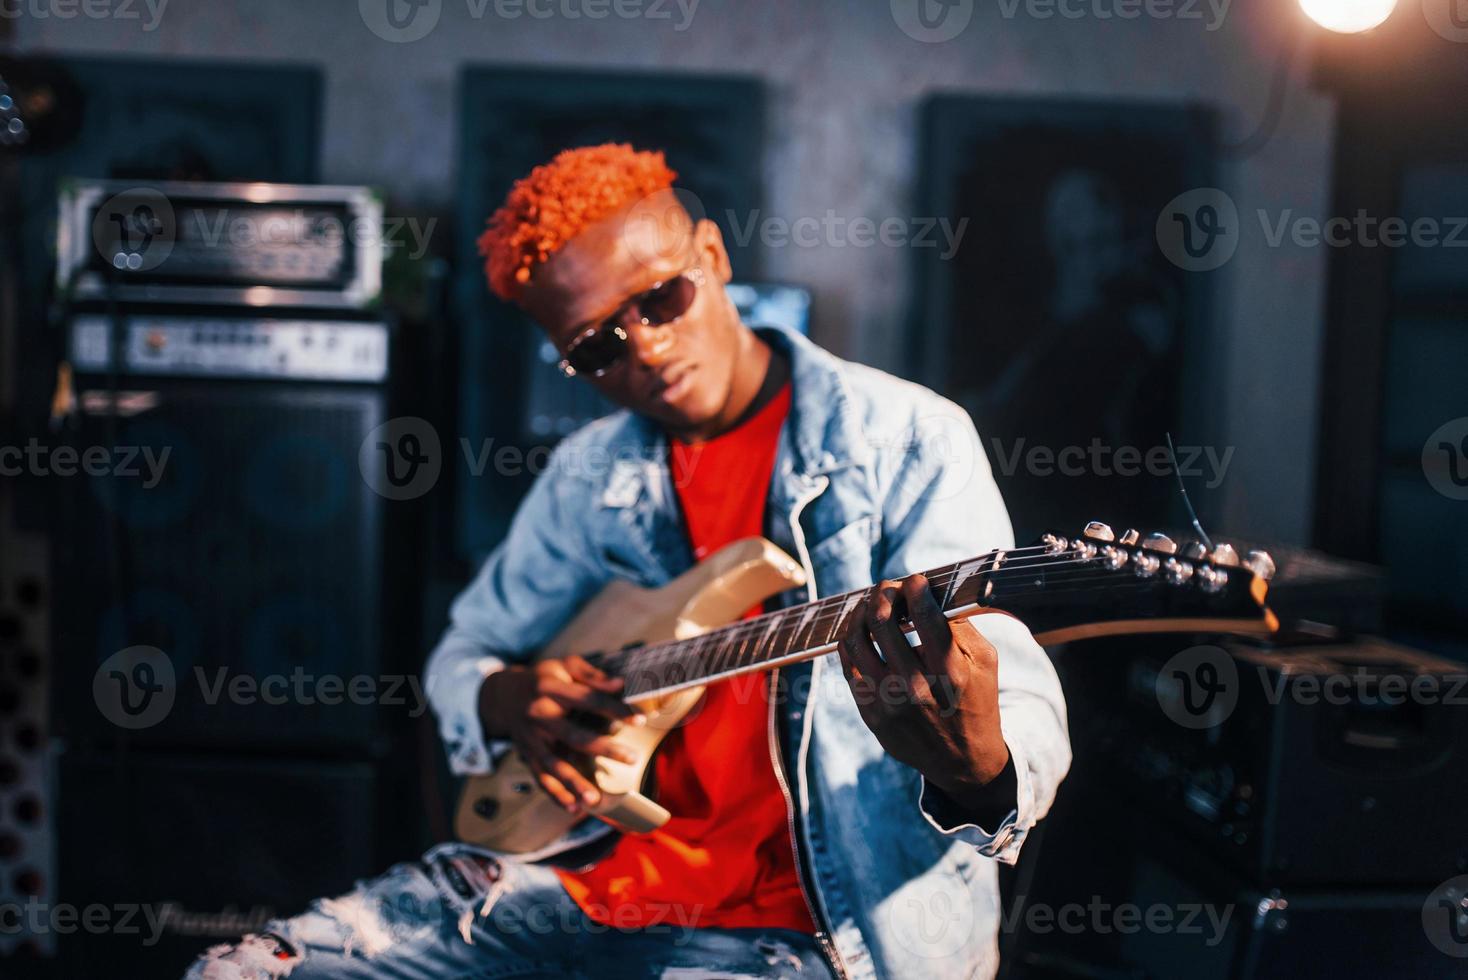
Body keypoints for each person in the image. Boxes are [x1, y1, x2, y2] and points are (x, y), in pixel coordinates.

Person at [188, 143, 1071, 980]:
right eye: (598, 347)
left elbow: (1019, 697)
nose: (644, 348)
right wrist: (509, 697)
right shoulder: (590, 474)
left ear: (714, 257)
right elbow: (462, 658)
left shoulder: (904, 438)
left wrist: (977, 764)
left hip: (810, 928)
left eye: (661, 299)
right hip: (583, 885)